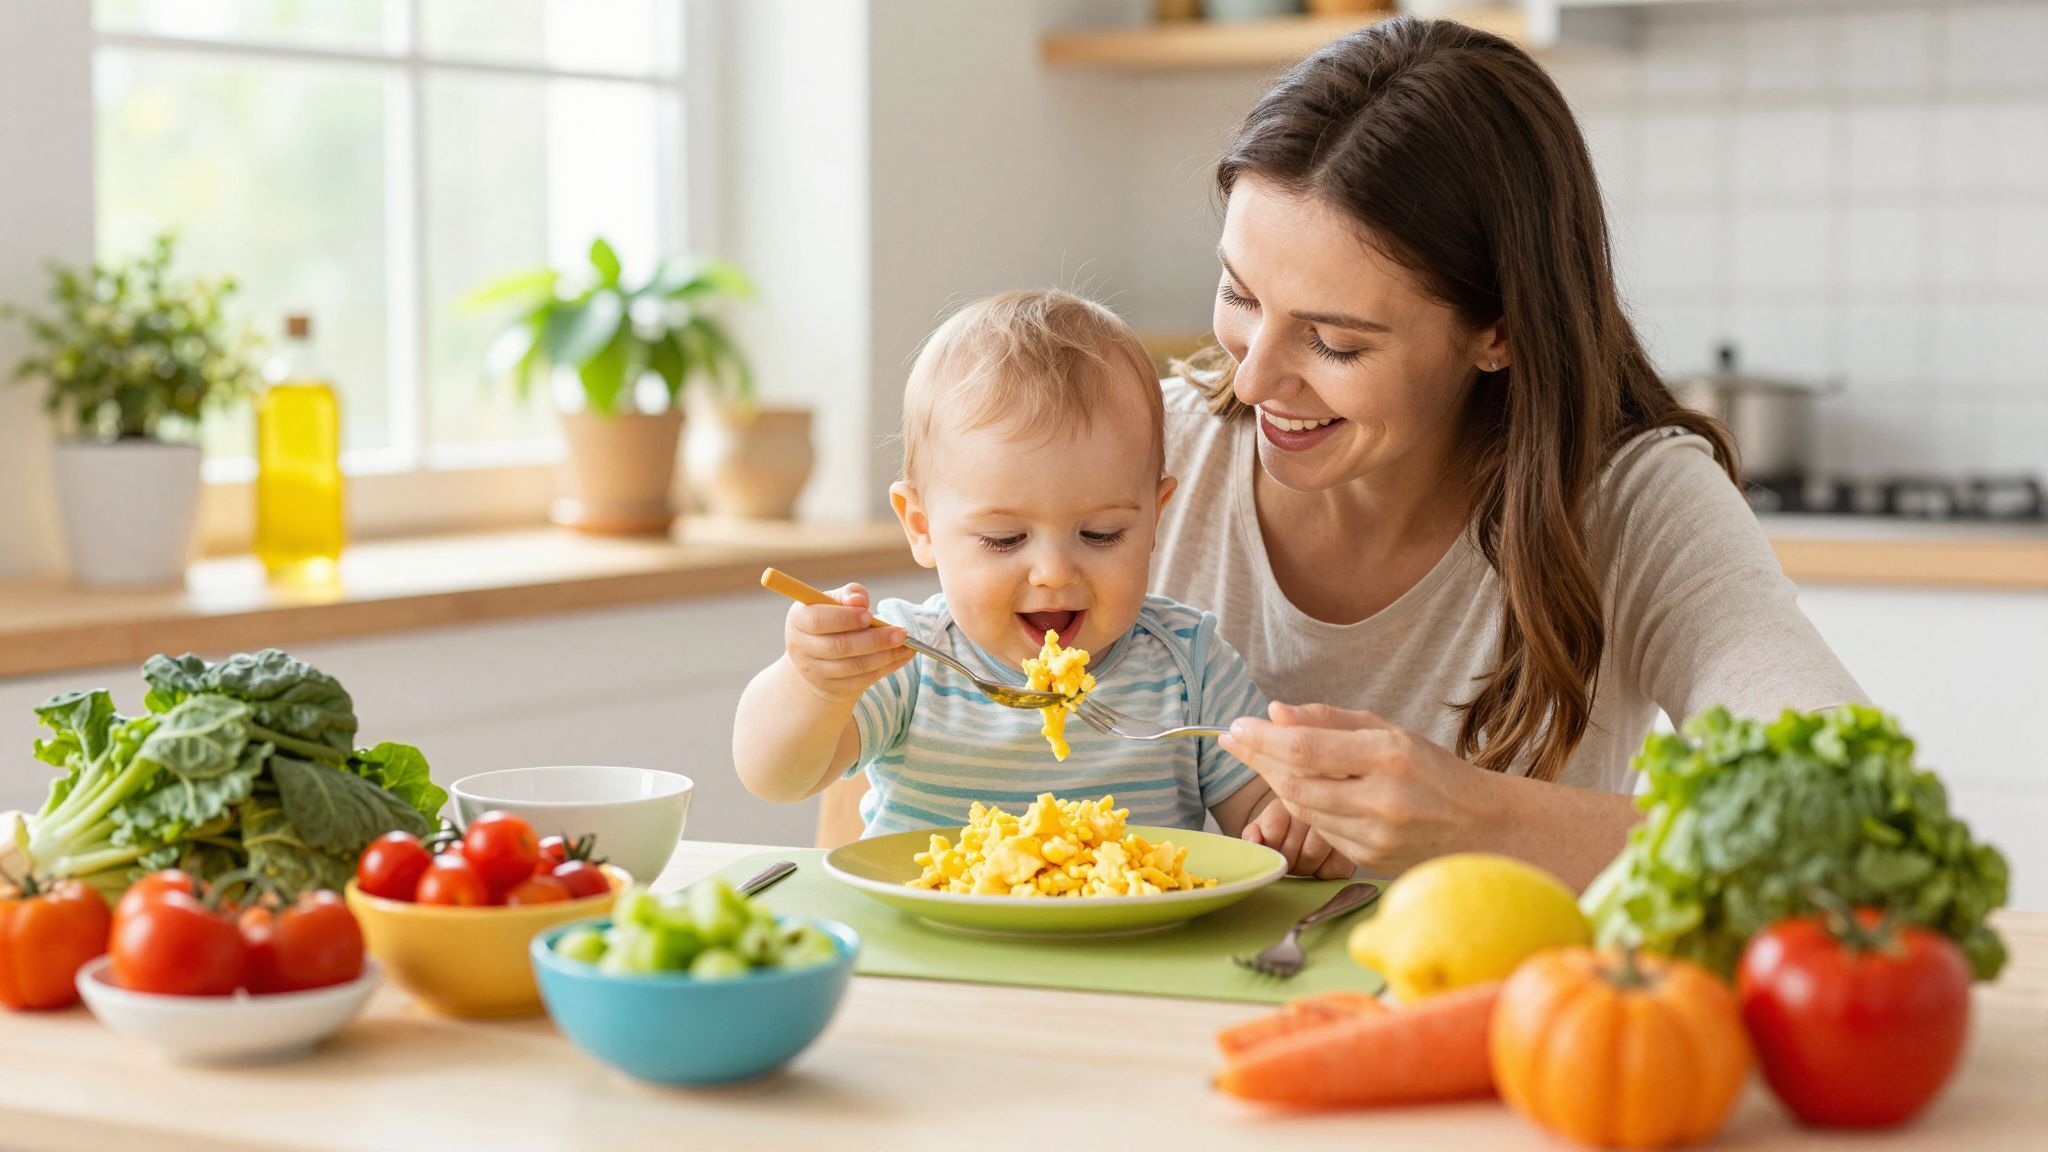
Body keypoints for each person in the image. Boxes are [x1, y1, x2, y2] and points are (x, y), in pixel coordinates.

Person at [1152, 16, 1864, 890]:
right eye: (1238, 294)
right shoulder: (1151, 453)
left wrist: (1478, 819)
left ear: (1499, 332)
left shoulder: (1632, 503)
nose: (1255, 379)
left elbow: (1842, 815)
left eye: (1334, 343)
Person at [734, 289, 1339, 874]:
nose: (1053, 573)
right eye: (1005, 539)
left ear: (1155, 516)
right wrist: (813, 684)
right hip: (934, 957)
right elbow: (776, 776)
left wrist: (1290, 822)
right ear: (922, 527)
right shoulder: (909, 657)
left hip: (1129, 953)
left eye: (1100, 534)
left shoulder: (1191, 666)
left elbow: (1259, 815)